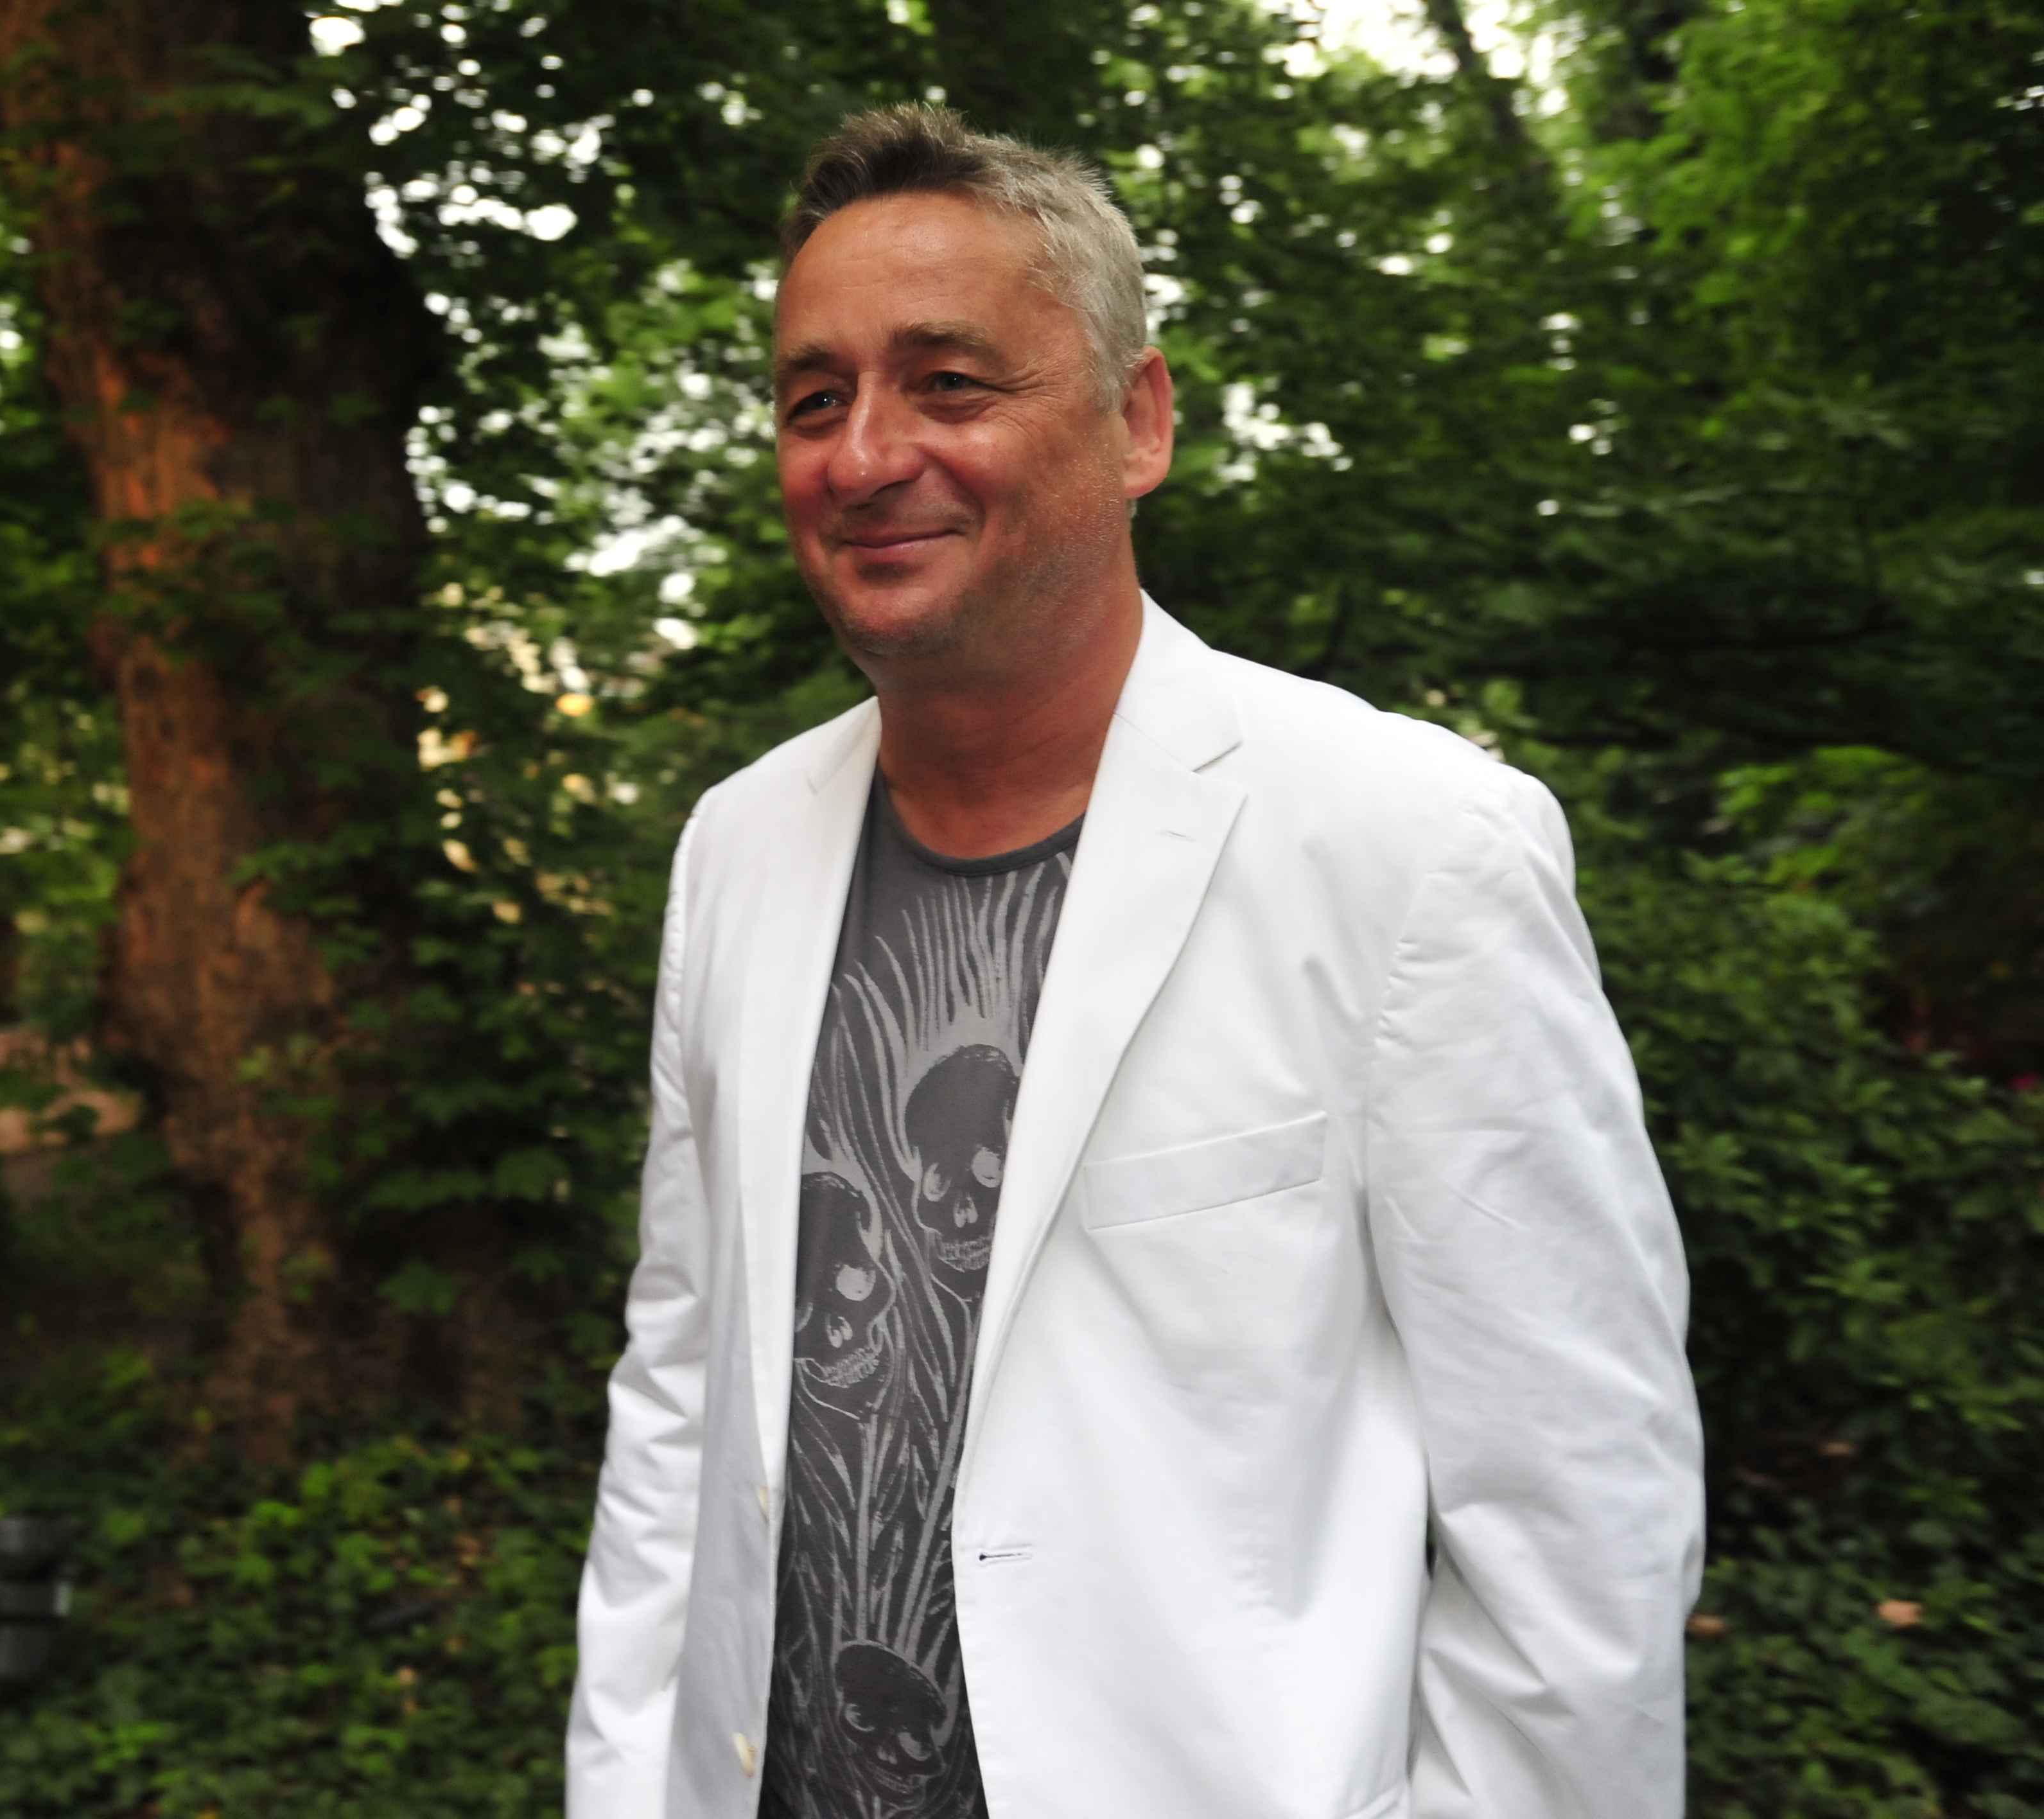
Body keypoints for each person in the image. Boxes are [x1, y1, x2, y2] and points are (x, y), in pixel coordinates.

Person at [564, 104, 1704, 1819]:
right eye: (814, 399)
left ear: (1138, 420)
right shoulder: (736, 847)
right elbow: (681, 1392)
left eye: (950, 383)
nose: (864, 456)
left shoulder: (1408, 845)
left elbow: (1578, 1516)